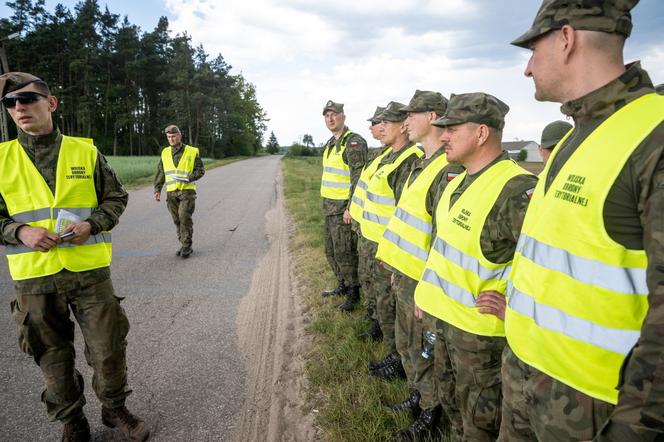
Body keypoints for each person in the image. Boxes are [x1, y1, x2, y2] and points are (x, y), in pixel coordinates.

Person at [500, 1, 664, 440]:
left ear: (567, 39)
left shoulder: (653, 138)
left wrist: (634, 428)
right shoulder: (577, 133)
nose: (528, 69)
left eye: (533, 51)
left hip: (592, 410)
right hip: (528, 382)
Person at [0, 72, 149, 442]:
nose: (19, 108)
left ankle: (115, 409)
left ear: (50, 104)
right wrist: (21, 231)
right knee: (51, 356)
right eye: (10, 103)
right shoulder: (1, 160)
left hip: (90, 273)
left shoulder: (85, 151)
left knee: (108, 348)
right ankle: (72, 421)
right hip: (34, 279)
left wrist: (92, 225)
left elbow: (116, 197)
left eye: (28, 99)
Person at [414, 92, 536, 441]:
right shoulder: (458, 181)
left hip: (481, 342)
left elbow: (548, 266)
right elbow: (444, 250)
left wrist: (518, 306)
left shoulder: (516, 191)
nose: (444, 136)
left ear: (482, 133)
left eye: (452, 128)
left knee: (480, 426)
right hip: (448, 325)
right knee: (454, 410)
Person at [375, 90, 463, 440]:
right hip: (406, 273)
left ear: (433, 117)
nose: (405, 120)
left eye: (413, 114)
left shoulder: (446, 169)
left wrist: (428, 285)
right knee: (409, 345)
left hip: (424, 280)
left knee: (426, 350)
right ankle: (418, 396)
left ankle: (430, 414)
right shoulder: (419, 164)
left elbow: (444, 237)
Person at [358, 101, 423, 379]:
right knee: (384, 302)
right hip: (377, 241)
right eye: (378, 122)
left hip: (391, 247)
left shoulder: (409, 160)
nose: (379, 127)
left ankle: (397, 360)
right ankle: (393, 354)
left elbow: (402, 212)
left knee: (392, 305)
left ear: (402, 126)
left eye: (386, 122)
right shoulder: (388, 156)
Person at [320, 100, 368, 309]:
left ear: (343, 117)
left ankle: (353, 293)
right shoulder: (331, 143)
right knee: (330, 251)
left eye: (334, 114)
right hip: (329, 208)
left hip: (343, 210)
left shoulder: (353, 142)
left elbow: (358, 177)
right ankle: (342, 283)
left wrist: (352, 207)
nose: (330, 118)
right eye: (327, 115)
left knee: (346, 252)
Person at [348, 106, 390, 339]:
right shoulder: (379, 154)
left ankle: (379, 327)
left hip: (381, 236)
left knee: (380, 286)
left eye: (375, 122)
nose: (372, 127)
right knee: (368, 278)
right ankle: (373, 318)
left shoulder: (405, 158)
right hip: (367, 228)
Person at [153, 125, 205, 258]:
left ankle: (187, 246)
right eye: (169, 137)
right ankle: (183, 244)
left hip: (186, 191)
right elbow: (161, 172)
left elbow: (200, 170)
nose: (171, 139)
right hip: (171, 192)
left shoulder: (192, 151)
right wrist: (157, 189)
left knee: (184, 217)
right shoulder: (165, 152)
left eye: (174, 136)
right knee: (177, 220)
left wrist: (189, 177)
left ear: (179, 136)